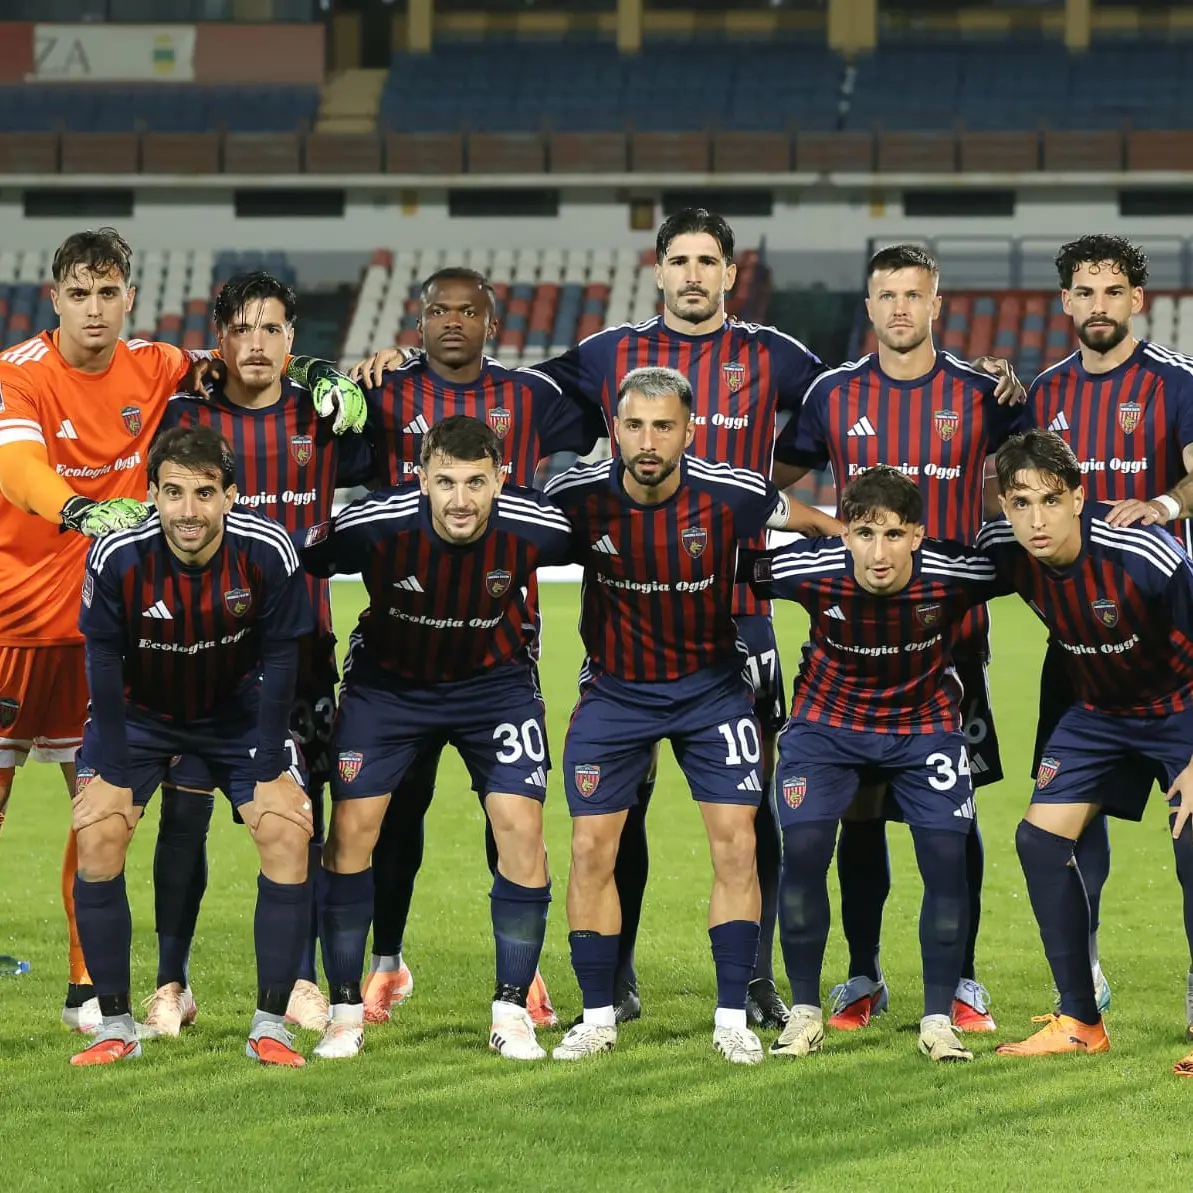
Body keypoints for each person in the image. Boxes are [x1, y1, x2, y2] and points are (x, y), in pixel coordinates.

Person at [351, 210, 1021, 1030]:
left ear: (730, 274)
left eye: (708, 260)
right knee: (619, 802)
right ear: (658, 269)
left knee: (760, 802)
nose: (694, 274)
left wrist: (976, 376)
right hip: (636, 609)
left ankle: (760, 980)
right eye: (680, 260)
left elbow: (856, 391)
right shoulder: (605, 355)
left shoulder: (777, 357)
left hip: (742, 613)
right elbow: (496, 387)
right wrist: (401, 364)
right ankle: (618, 975)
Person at [0, 228, 367, 1032]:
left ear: (130, 298)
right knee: (80, 811)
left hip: (146, 638)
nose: (94, 309)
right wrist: (77, 508)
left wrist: (323, 372)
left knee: (108, 810)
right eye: (79, 293)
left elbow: (241, 356)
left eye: (108, 292)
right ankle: (152, 981)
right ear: (53, 297)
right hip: (18, 624)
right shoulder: (18, 374)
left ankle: (90, 986)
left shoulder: (162, 367)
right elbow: (16, 467)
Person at [543, 366, 842, 1064]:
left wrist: (861, 546)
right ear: (615, 429)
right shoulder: (575, 494)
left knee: (737, 841)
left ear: (688, 430)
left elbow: (810, 521)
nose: (648, 441)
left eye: (664, 426)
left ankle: (731, 1016)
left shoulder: (730, 492)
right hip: (614, 693)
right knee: (590, 849)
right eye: (635, 425)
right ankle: (595, 1016)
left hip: (710, 692)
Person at [775, 243, 1029, 1032]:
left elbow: (1032, 475)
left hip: (955, 640)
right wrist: (826, 530)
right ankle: (859, 974)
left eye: (910, 294)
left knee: (956, 815)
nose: (896, 309)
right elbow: (769, 483)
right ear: (868, 302)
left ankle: (962, 980)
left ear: (934, 301)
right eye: (883, 294)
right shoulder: (832, 392)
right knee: (855, 810)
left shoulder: (979, 392)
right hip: (850, 643)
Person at [354, 267, 605, 1028]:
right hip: (401, 648)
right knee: (396, 816)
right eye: (439, 310)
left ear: (492, 323)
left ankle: (521, 976)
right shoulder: (384, 394)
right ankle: (387, 962)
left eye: (469, 311)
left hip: (498, 645)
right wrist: (360, 371)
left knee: (513, 819)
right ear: (419, 320)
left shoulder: (532, 397)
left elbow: (606, 417)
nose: (453, 322)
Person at [141, 271, 375, 1038]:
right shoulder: (183, 414)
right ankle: (171, 983)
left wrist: (384, 361)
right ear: (220, 337)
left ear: (292, 340)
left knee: (297, 820)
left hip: (298, 650)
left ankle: (298, 978)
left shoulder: (325, 412)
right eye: (240, 328)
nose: (256, 343)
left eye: (272, 329)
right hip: (194, 654)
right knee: (184, 819)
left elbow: (405, 431)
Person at [303, 415, 576, 1061]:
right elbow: (292, 561)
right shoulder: (374, 523)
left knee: (520, 827)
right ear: (420, 477)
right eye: (446, 481)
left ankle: (511, 1011)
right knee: (352, 833)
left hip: (494, 684)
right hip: (388, 688)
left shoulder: (541, 526)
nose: (461, 499)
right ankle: (345, 1012)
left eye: (477, 482)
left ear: (500, 480)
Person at [68, 425, 316, 1067]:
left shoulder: (269, 551)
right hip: (142, 715)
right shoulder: (116, 554)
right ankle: (116, 1028)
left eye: (204, 493)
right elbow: (100, 658)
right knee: (98, 832)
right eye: (173, 493)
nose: (188, 510)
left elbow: (284, 658)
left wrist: (268, 764)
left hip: (236, 713)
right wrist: (116, 770)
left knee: (288, 830)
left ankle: (270, 1026)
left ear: (231, 495)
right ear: (151, 494)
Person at [745, 465, 1004, 1064]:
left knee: (946, 862)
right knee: (805, 853)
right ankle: (805, 1011)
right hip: (826, 728)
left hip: (926, 730)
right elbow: (723, 572)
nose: (877, 552)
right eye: (863, 534)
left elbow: (1038, 569)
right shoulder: (807, 568)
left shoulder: (957, 571)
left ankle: (938, 1019)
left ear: (917, 535)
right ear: (846, 535)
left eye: (892, 535)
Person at [975, 430, 1193, 1074]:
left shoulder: (1143, 552)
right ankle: (1080, 1019)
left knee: (1192, 845)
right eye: (1019, 503)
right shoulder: (1005, 550)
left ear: (1078, 496)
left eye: (1049, 500)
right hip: (1099, 712)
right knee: (1040, 842)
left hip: (1181, 707)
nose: (1035, 519)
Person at [1026, 234, 1193, 1016]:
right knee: (1066, 819)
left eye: (1111, 291)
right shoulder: (1044, 393)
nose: (1097, 305)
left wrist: (1163, 504)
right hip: (1076, 647)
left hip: (1165, 636)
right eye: (1083, 292)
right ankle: (1083, 971)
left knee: (1188, 834)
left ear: (1136, 300)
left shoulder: (1173, 382)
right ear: (1064, 303)